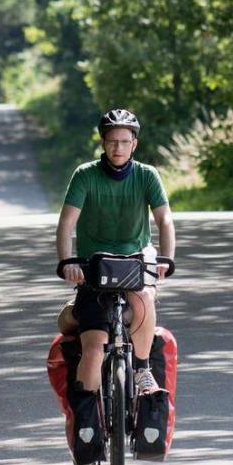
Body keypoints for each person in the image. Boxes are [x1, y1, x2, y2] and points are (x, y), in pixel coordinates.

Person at [56, 109, 176, 442]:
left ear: (134, 144)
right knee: (93, 347)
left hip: (135, 259)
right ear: (103, 143)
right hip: (94, 266)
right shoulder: (85, 175)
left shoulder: (147, 175)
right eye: (112, 141)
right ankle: (88, 421)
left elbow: (165, 221)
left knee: (144, 297)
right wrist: (67, 261)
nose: (118, 148)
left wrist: (166, 258)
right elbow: (66, 223)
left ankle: (141, 369)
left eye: (124, 141)